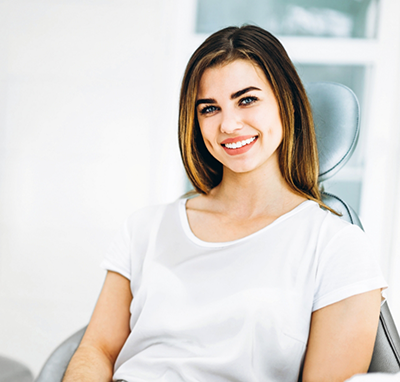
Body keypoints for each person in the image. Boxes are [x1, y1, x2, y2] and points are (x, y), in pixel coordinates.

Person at [62, 25, 387, 382]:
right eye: (209, 108)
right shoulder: (145, 229)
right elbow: (97, 350)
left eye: (247, 100)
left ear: (286, 102)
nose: (229, 124)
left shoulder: (337, 247)